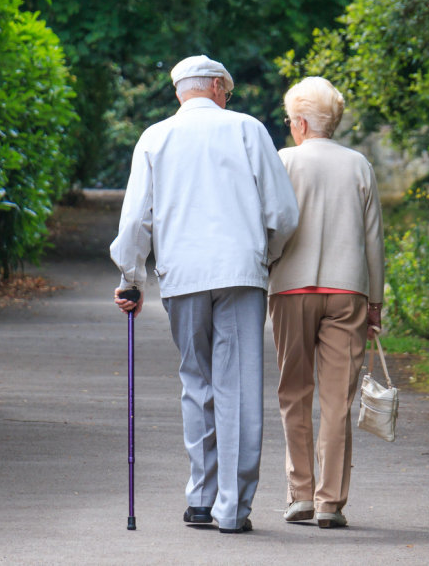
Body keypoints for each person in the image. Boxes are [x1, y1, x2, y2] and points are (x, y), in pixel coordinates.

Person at [110, 55, 299, 534]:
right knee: (237, 388)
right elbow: (282, 213)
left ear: (180, 92)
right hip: (240, 272)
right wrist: (268, 255)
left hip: (183, 275)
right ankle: (232, 509)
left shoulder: (155, 136)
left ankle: (200, 498)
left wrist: (132, 277)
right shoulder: (248, 130)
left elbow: (136, 221)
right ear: (217, 86)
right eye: (227, 91)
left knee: (197, 382)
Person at [268, 76, 385, 529]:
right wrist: (374, 302)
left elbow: (272, 226)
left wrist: (269, 266)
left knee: (294, 392)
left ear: (299, 122)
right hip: (347, 291)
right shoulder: (359, 166)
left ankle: (299, 493)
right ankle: (329, 502)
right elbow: (373, 241)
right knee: (338, 399)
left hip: (291, 289)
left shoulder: (284, 161)